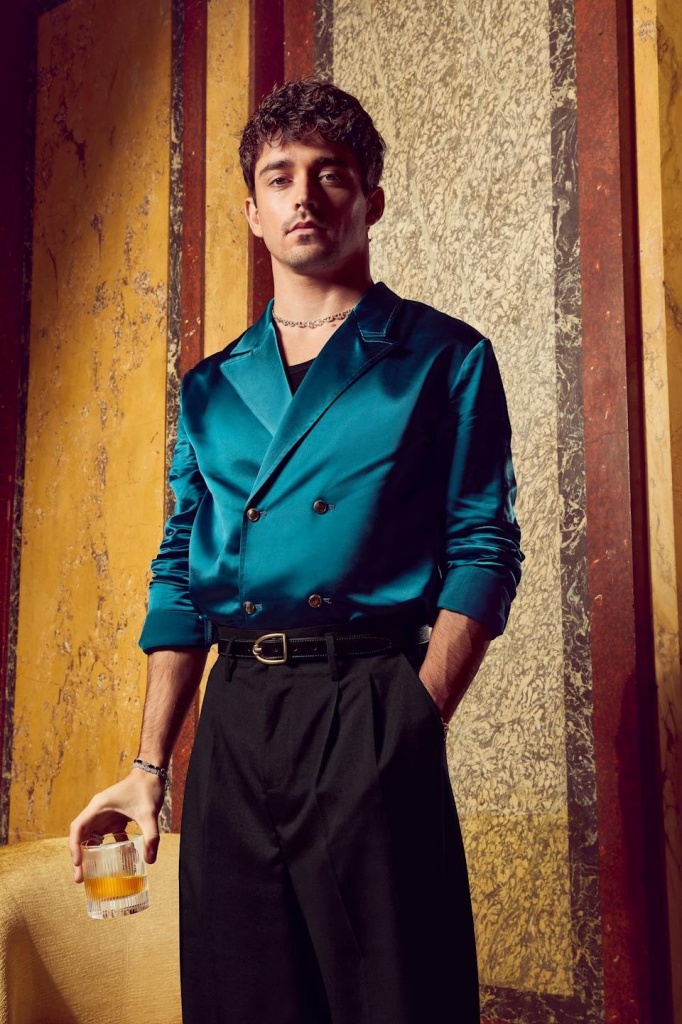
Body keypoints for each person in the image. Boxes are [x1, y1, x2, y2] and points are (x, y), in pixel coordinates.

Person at [70, 79, 522, 1024]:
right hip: (235, 721)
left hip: (367, 704)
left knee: (398, 998)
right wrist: (150, 770)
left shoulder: (446, 358)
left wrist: (413, 718)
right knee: (243, 998)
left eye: (330, 174)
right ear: (252, 210)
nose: (304, 196)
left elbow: (483, 547)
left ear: (372, 200)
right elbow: (179, 576)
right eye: (279, 178)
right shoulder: (209, 388)